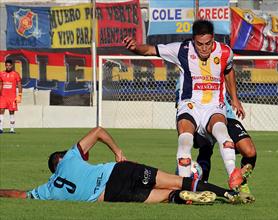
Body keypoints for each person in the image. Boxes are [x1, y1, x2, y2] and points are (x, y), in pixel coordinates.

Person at [123, 20, 246, 186]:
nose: (204, 48)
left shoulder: (225, 52)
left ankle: (234, 177)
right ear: (193, 40)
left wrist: (235, 99)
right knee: (185, 139)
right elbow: (151, 50)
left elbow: (228, 70)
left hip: (214, 106)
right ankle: (186, 187)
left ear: (214, 39)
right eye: (199, 44)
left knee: (222, 133)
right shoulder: (182, 49)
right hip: (190, 105)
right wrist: (135, 47)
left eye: (208, 44)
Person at [0, 127, 254, 204]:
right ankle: (226, 194)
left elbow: (17, 194)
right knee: (178, 179)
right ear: (61, 159)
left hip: (111, 195)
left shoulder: (47, 190)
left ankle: (182, 198)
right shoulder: (69, 158)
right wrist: (118, 151)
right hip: (118, 170)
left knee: (165, 196)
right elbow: (99, 131)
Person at [193, 96, 257, 199]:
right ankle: (200, 187)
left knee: (250, 152)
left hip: (227, 117)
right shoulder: (187, 80)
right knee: (205, 149)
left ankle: (240, 181)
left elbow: (228, 80)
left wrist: (234, 98)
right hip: (202, 118)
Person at [0, 59, 22, 134]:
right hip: (3, 96)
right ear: (5, 65)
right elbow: (0, 84)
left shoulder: (15, 74)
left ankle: (12, 129)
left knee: (11, 112)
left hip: (12, 97)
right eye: (7, 65)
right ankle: (0, 129)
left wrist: (19, 95)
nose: (8, 67)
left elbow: (19, 85)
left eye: (9, 65)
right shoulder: (1, 73)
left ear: (12, 66)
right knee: (1, 110)